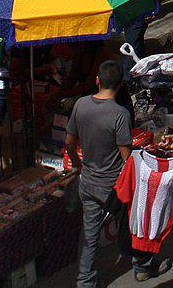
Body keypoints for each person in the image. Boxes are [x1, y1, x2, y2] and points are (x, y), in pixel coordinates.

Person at [65, 60, 151, 287]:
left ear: (97, 81)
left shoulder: (80, 105)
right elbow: (126, 157)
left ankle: (85, 281)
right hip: (114, 186)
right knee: (133, 224)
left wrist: (77, 164)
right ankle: (141, 266)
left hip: (89, 181)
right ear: (121, 85)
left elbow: (70, 143)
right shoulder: (120, 114)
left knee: (89, 233)